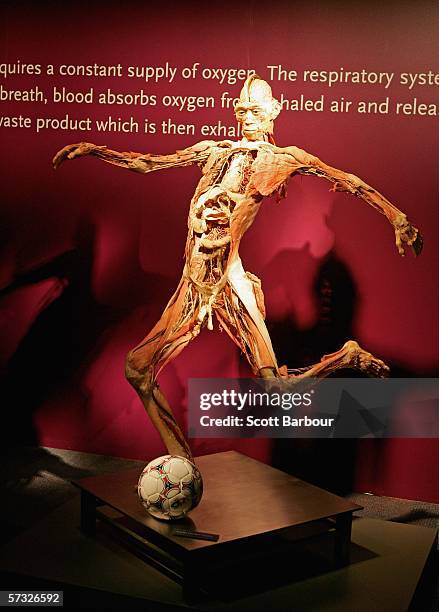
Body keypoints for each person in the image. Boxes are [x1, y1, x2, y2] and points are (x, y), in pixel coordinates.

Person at [53, 74, 422, 459]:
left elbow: (347, 180)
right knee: (138, 370)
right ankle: (182, 465)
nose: (247, 116)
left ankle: (345, 356)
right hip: (194, 282)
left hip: (228, 280)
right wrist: (95, 150)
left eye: (255, 110)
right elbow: (149, 164)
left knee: (277, 392)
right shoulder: (213, 150)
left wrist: (398, 219)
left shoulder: (282, 159)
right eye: (242, 109)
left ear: (273, 112)